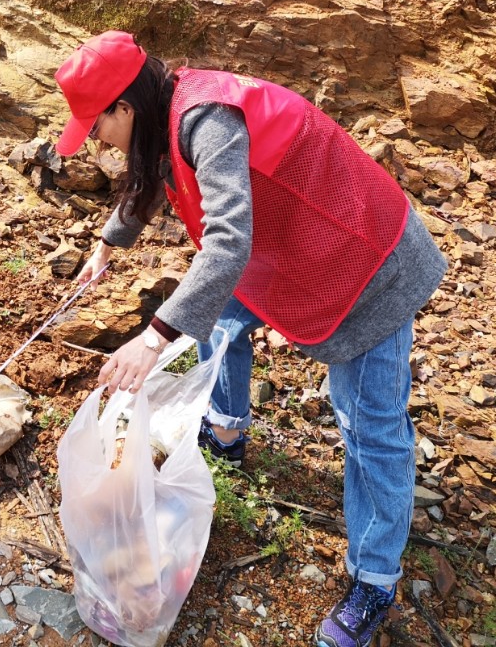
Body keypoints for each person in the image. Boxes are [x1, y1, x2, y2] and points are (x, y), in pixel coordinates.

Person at [53, 31, 447, 647]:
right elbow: (152, 176)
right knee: (222, 311)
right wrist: (108, 243)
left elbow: (228, 242)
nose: (94, 140)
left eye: (94, 126)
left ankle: (374, 580)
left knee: (369, 423)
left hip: (369, 260)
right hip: (294, 250)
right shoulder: (161, 113)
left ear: (123, 108)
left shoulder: (207, 119)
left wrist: (155, 337)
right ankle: (228, 429)